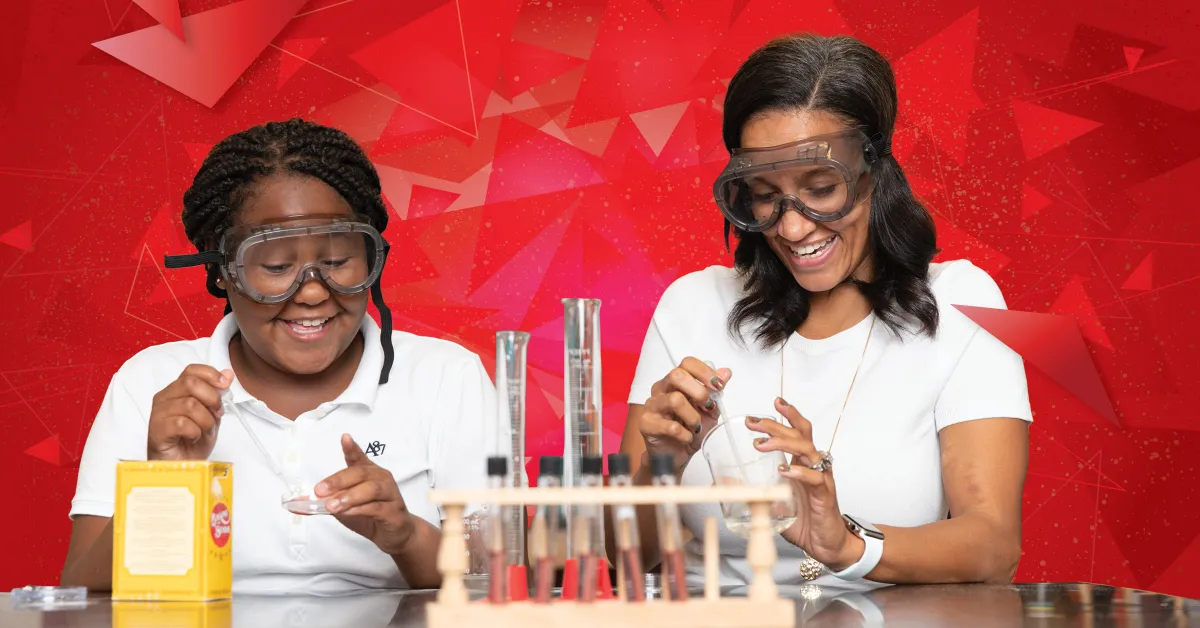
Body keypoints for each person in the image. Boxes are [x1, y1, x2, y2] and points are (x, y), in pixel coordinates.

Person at [621, 33, 1033, 591]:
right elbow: (627, 560)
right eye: (764, 194)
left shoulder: (960, 304)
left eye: (820, 188)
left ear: (875, 170)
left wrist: (846, 544)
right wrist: (660, 467)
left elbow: (993, 546)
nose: (792, 228)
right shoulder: (693, 306)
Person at [60, 119, 497, 594]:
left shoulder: (445, 377)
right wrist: (167, 479)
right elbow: (82, 592)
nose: (312, 291)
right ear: (222, 268)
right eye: (274, 266)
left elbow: (496, 579)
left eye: (336, 261)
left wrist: (406, 535)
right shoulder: (150, 383)